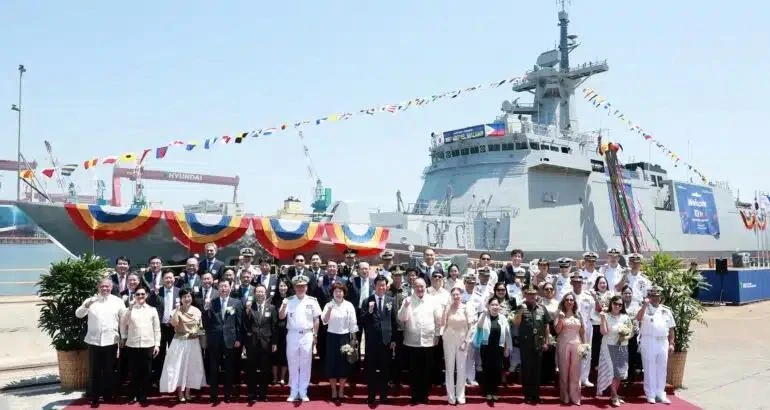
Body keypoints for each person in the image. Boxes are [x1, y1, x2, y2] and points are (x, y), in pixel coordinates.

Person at [75, 278, 126, 407]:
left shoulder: (118, 301)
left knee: (109, 370)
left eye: (107, 287)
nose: (105, 289)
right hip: (94, 341)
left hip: (111, 340)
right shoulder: (91, 300)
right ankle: (94, 396)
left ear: (111, 288)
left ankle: (108, 395)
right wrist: (86, 305)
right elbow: (78, 314)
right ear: (98, 287)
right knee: (94, 370)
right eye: (102, 286)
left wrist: (123, 337)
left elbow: (123, 320)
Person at [398, 278, 441, 404]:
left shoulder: (433, 300)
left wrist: (437, 335)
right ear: (413, 287)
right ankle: (415, 396)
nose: (420, 289)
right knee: (414, 371)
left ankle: (425, 395)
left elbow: (438, 320)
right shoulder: (408, 300)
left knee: (427, 370)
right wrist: (405, 306)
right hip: (412, 342)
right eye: (417, 286)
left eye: (422, 286)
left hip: (428, 341)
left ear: (425, 287)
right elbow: (401, 318)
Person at [279, 274, 321, 402]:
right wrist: (284, 306)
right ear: (294, 287)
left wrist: (315, 335)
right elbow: (281, 317)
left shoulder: (312, 301)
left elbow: (316, 319)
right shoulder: (289, 300)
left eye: (302, 286)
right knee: (292, 363)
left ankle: (303, 391)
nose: (300, 288)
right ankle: (293, 391)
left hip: (307, 334)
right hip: (292, 334)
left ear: (306, 287)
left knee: (305, 364)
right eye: (298, 286)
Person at [159, 289, 206, 402]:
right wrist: (177, 310)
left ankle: (188, 391)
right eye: (184, 297)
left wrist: (201, 338)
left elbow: (201, 328)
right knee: (178, 367)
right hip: (179, 342)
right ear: (180, 299)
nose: (187, 299)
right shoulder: (175, 311)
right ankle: (180, 392)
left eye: (189, 296)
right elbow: (173, 323)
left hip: (193, 342)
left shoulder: (197, 311)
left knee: (191, 367)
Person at [202, 280, 244, 404]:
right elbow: (206, 323)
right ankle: (213, 395)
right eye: (221, 286)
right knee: (214, 368)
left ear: (230, 288)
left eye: (226, 286)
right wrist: (205, 310)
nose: (223, 288)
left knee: (229, 368)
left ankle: (227, 394)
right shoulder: (212, 302)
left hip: (230, 341)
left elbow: (239, 323)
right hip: (214, 341)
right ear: (218, 288)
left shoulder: (236, 302)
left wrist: (238, 339)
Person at [119, 286, 160, 405]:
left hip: (148, 344)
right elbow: (123, 323)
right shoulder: (129, 309)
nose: (140, 296)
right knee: (133, 371)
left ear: (146, 295)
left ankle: (144, 395)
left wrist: (157, 344)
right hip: (132, 344)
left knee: (146, 371)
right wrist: (123, 337)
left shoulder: (152, 309)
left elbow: (157, 329)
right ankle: (133, 394)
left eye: (142, 294)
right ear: (134, 296)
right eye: (138, 294)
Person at [361, 275, 398, 405]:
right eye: (378, 285)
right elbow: (363, 320)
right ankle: (371, 396)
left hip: (386, 341)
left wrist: (394, 339)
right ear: (374, 286)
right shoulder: (367, 301)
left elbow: (394, 321)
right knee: (370, 370)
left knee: (385, 370)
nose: (381, 287)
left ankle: (383, 396)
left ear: (386, 286)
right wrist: (370, 310)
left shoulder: (391, 300)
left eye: (383, 285)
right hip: (371, 342)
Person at [636, 285, 676, 404]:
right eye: (652, 296)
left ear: (660, 297)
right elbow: (638, 318)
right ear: (648, 296)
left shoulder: (666, 310)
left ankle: (660, 393)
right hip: (649, 340)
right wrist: (644, 305)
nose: (655, 298)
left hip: (663, 341)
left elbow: (672, 328)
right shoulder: (645, 309)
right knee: (649, 367)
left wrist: (672, 343)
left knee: (662, 368)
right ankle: (650, 394)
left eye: (657, 296)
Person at [513, 285, 552, 404]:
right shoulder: (521, 307)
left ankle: (536, 395)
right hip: (525, 343)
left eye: (533, 294)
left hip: (539, 343)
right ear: (525, 295)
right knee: (526, 369)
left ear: (536, 295)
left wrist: (547, 341)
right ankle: (527, 395)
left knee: (537, 369)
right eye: (529, 294)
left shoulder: (541, 308)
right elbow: (516, 323)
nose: (531, 296)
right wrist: (520, 311)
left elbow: (546, 326)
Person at [321, 282, 358, 403]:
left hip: (345, 338)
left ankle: (341, 390)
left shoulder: (349, 305)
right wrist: (329, 310)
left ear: (344, 293)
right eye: (336, 291)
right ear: (332, 292)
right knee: (331, 363)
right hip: (331, 337)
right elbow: (324, 321)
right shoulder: (328, 304)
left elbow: (353, 323)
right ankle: (333, 390)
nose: (338, 293)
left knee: (343, 364)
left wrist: (353, 338)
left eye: (340, 291)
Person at [471, 296, 512, 402]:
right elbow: (479, 327)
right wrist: (484, 314)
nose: (495, 307)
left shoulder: (503, 318)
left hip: (499, 347)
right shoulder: (484, 316)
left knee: (497, 370)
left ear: (500, 306)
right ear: (488, 306)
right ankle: (487, 391)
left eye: (497, 305)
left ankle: (494, 391)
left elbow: (507, 334)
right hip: (486, 347)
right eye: (492, 305)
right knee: (486, 369)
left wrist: (508, 347)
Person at [597, 295, 633, 407]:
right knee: (612, 372)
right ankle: (614, 396)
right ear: (611, 304)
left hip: (622, 347)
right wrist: (602, 319)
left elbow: (631, 332)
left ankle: (615, 394)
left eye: (620, 304)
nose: (617, 306)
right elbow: (603, 332)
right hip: (609, 346)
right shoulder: (605, 316)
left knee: (619, 372)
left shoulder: (625, 317)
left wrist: (625, 337)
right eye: (615, 303)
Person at [245, 284, 277, 404]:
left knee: (265, 369)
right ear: (254, 294)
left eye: (262, 292)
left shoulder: (272, 308)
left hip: (266, 342)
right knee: (251, 369)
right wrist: (247, 312)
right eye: (257, 292)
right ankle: (251, 393)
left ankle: (263, 393)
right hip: (252, 343)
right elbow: (245, 325)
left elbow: (274, 327)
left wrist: (274, 342)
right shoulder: (250, 307)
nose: (260, 294)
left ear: (266, 293)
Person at [441, 286, 474, 404]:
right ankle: (451, 397)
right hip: (449, 339)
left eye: (458, 294)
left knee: (461, 369)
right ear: (451, 296)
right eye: (453, 295)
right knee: (449, 368)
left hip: (462, 340)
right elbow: (442, 323)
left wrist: (466, 341)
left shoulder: (466, 307)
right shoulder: (448, 308)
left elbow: (471, 327)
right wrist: (445, 309)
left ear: (461, 295)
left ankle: (460, 396)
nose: (456, 297)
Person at [556, 292, 585, 405]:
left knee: (575, 371)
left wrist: (585, 345)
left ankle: (575, 396)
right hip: (564, 343)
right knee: (564, 370)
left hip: (577, 344)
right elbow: (557, 331)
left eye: (571, 300)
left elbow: (582, 332)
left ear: (574, 302)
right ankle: (565, 396)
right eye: (567, 300)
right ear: (564, 301)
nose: (569, 302)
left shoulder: (578, 315)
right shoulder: (560, 313)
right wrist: (561, 320)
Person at [271, 277, 292, 385]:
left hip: (288, 330)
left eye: (284, 285)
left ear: (288, 287)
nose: (282, 288)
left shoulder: (292, 299)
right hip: (275, 330)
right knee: (274, 354)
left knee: (285, 354)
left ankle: (283, 377)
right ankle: (275, 377)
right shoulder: (273, 299)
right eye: (281, 286)